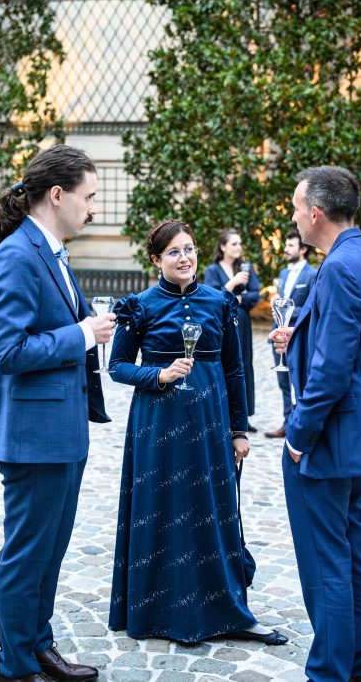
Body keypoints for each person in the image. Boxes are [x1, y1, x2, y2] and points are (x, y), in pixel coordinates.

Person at [107, 219, 287, 646]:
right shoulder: (140, 306)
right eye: (173, 252)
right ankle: (158, 610)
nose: (184, 257)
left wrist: (239, 429)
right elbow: (117, 367)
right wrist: (159, 374)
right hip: (157, 426)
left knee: (214, 510)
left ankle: (229, 611)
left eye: (188, 249)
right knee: (162, 507)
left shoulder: (220, 302)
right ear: (157, 259)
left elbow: (234, 369)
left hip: (210, 424)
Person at [269, 166, 361, 682]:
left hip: (328, 439)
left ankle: (330, 672)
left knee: (326, 561)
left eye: (295, 208)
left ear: (316, 213)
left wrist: (298, 436)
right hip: (357, 435)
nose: (292, 218)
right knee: (354, 550)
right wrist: (300, 336)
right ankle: (357, 663)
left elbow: (333, 370)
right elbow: (351, 341)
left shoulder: (339, 268)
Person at [0, 145, 116, 682]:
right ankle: (15, 668)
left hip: (62, 433)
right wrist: (82, 334)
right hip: (32, 438)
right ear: (57, 195)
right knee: (27, 555)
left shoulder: (52, 251)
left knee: (50, 552)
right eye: (89, 197)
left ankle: (39, 647)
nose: (94, 209)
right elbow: (8, 351)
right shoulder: (16, 255)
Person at [203, 230, 261, 432]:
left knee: (244, 363)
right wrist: (233, 283)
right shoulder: (212, 270)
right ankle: (222, 412)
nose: (238, 248)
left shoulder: (246, 267)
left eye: (239, 244)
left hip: (242, 322)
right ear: (223, 247)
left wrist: (240, 299)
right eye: (234, 244)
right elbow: (211, 297)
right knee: (224, 362)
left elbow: (256, 294)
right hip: (221, 323)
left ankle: (243, 415)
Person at [265, 228, 317, 439]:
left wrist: (284, 308)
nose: (285, 249)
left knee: (299, 380)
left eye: (290, 245)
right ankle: (288, 423)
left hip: (297, 336)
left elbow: (311, 308)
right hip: (277, 335)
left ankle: (299, 423)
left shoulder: (312, 274)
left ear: (303, 249)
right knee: (283, 382)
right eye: (285, 245)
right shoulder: (284, 273)